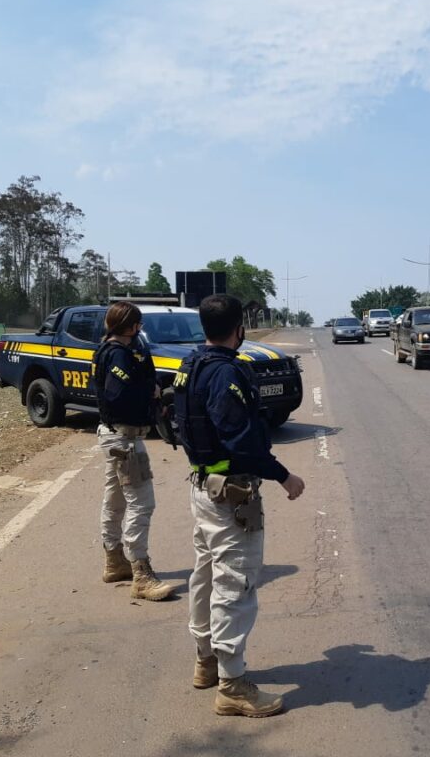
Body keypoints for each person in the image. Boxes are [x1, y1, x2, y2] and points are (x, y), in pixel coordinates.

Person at [174, 294, 305, 718]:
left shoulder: (190, 366)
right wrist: (284, 476)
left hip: (202, 486)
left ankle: (206, 661)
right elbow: (242, 443)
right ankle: (232, 685)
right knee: (235, 585)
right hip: (230, 494)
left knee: (205, 576)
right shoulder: (225, 372)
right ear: (239, 329)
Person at [91, 301, 174, 602]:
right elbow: (118, 395)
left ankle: (114, 561)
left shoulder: (110, 350)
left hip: (115, 436)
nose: (140, 329)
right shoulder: (118, 355)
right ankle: (140, 572)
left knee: (115, 499)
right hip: (124, 439)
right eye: (138, 323)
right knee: (142, 502)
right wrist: (150, 391)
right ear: (130, 326)